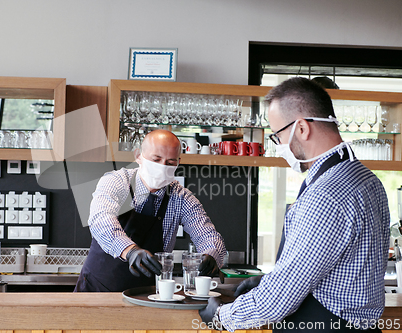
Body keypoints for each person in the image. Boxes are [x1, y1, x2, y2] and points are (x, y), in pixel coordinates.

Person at [200, 77, 390, 332]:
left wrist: (221, 317)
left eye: (277, 135)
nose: (278, 147)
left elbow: (277, 301)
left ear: (301, 128)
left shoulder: (325, 196)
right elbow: (335, 270)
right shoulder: (367, 179)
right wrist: (270, 280)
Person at [75, 129, 226, 292]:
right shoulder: (117, 182)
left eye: (170, 163)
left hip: (147, 295)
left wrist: (212, 254)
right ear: (138, 155)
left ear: (178, 162)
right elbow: (100, 219)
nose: (162, 167)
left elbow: (207, 234)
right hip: (97, 289)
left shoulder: (181, 198)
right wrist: (130, 251)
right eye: (156, 159)